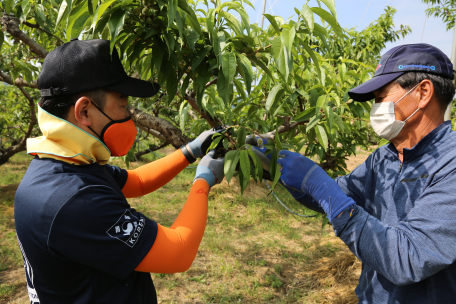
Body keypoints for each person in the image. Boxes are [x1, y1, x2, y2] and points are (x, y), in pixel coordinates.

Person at [14, 38, 225, 304]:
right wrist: (203, 182)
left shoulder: (66, 162)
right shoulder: (72, 200)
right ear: (85, 111)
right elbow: (179, 251)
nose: (129, 117)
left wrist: (189, 152)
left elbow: (136, 181)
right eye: (123, 107)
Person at [253, 43, 456, 303]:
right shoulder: (384, 158)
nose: (376, 108)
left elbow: (407, 258)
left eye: (381, 97)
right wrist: (271, 166)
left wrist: (317, 181)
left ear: (423, 92)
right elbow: (335, 197)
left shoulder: (450, 164)